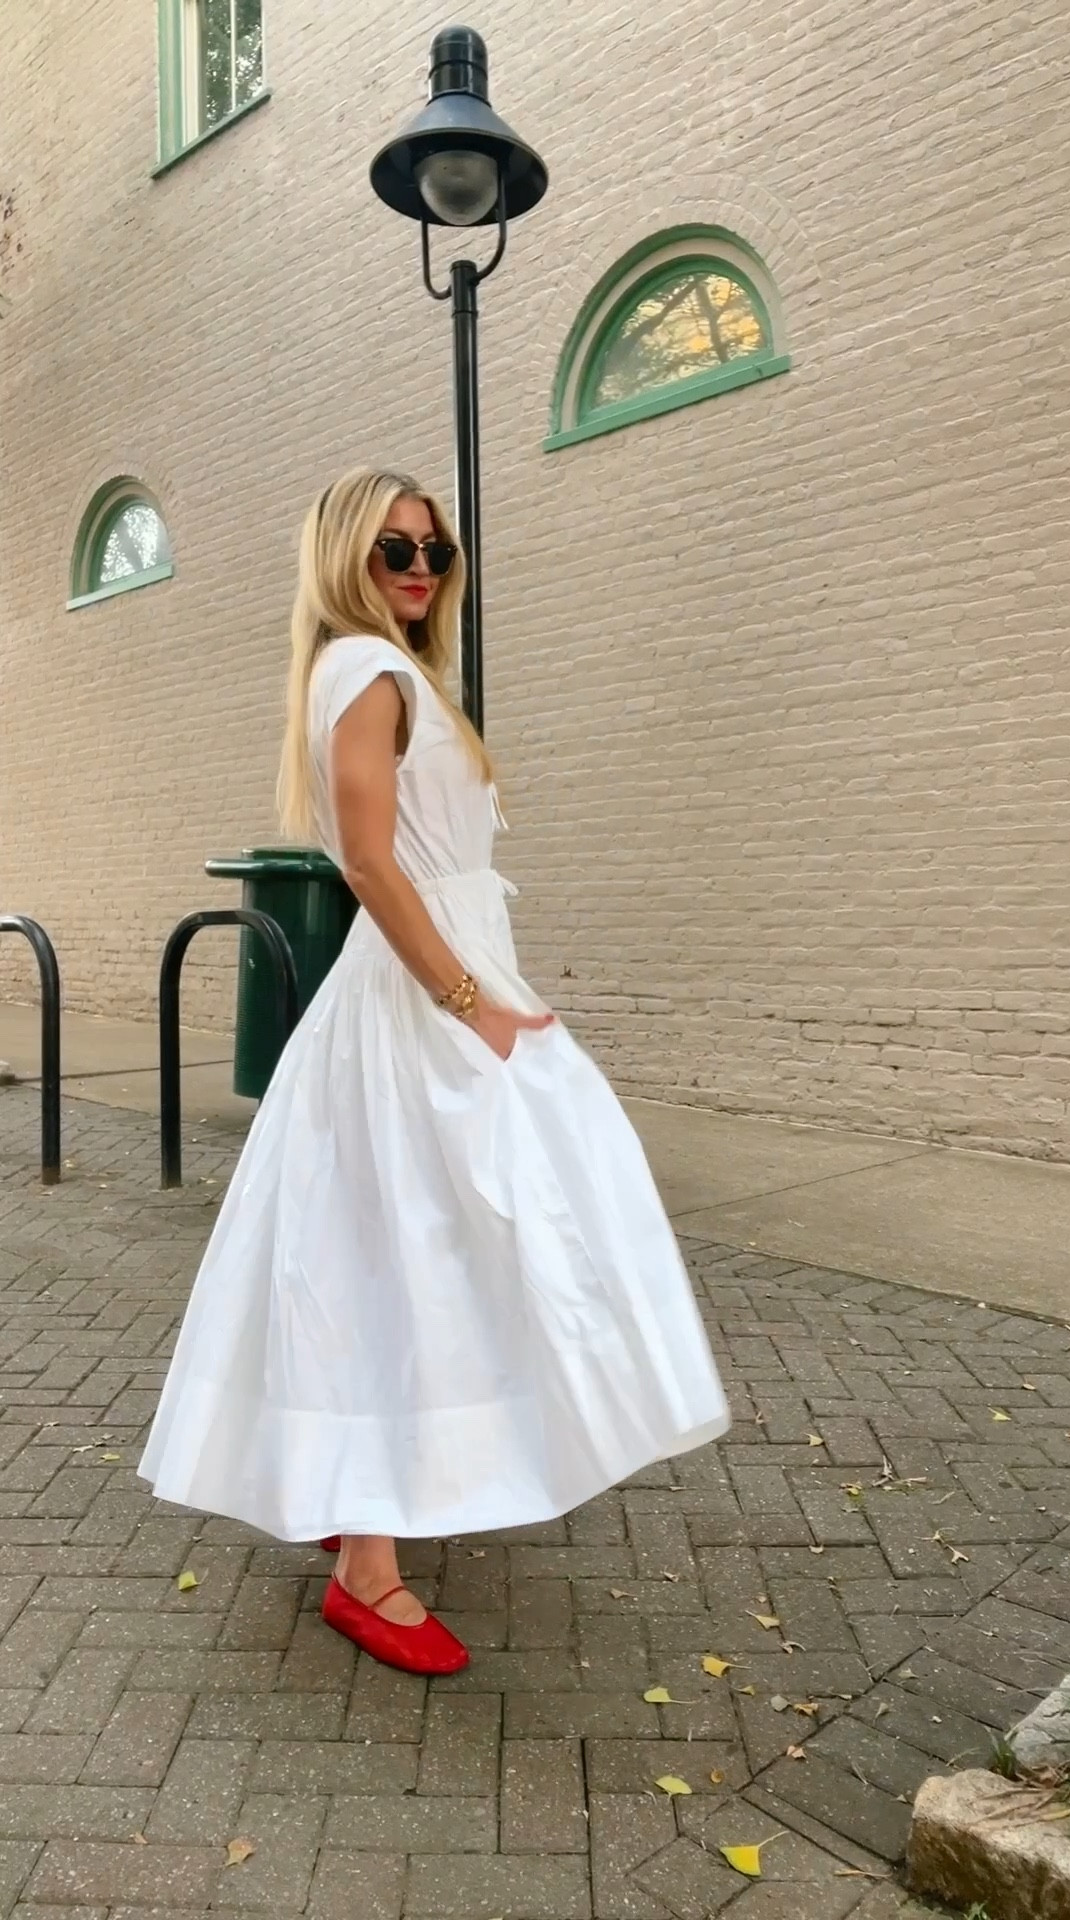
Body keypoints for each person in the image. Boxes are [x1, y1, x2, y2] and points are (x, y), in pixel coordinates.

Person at [139, 466, 730, 1677]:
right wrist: (474, 1009)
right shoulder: (365, 669)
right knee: (434, 1246)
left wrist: (483, 992)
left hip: (438, 990)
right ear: (346, 557)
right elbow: (369, 863)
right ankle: (367, 1567)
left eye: (435, 550)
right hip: (425, 1005)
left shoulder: (385, 672)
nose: (419, 566)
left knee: (386, 1246)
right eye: (394, 548)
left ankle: (349, 1497)